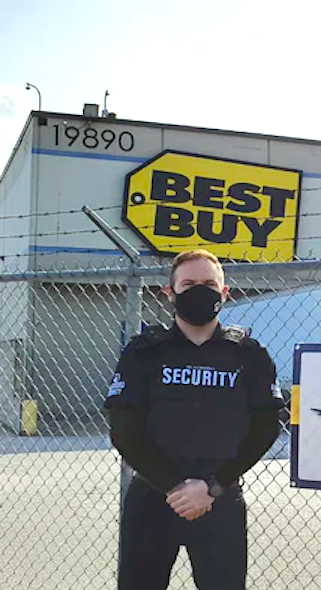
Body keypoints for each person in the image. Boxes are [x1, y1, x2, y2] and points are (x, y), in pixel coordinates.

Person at [105, 249, 282, 590]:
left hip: (220, 498)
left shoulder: (249, 354)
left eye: (208, 284)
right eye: (188, 284)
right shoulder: (145, 352)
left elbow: (264, 429)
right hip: (153, 498)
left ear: (224, 292)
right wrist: (175, 487)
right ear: (170, 293)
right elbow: (124, 431)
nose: (199, 290)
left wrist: (212, 486)